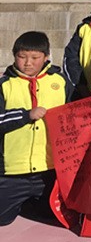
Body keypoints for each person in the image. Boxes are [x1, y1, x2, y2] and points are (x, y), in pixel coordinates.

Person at [0, 31, 73, 226]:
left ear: (46, 57)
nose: (28, 63)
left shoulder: (60, 81)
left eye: (35, 57)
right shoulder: (5, 84)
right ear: (14, 56)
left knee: (58, 217)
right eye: (22, 57)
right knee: (2, 220)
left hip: (49, 169)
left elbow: (76, 115)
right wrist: (25, 115)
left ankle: (29, 203)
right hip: (12, 171)